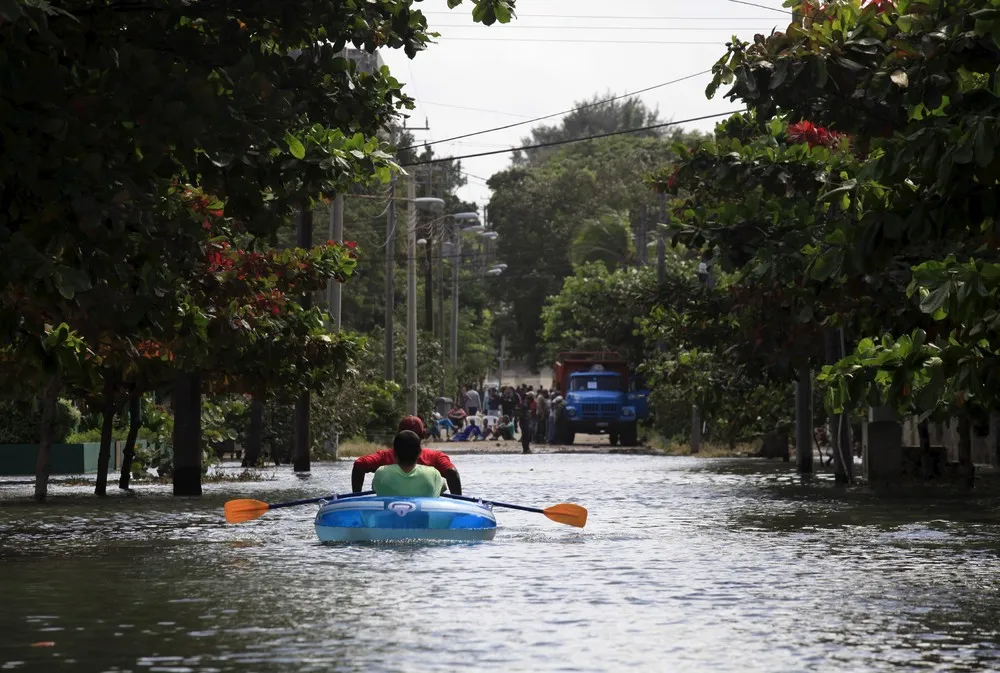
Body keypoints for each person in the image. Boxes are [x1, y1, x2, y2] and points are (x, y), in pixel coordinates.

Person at [352, 416, 462, 494]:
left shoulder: (384, 459)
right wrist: (458, 504)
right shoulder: (435, 458)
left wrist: (356, 497)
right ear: (422, 435)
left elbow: (359, 464)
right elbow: (452, 472)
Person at [372, 430, 446, 497]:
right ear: (420, 453)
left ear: (393, 452)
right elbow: (442, 489)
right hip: (422, 512)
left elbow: (375, 489)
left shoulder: (381, 473)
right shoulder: (434, 474)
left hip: (388, 512)